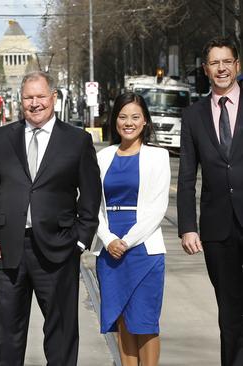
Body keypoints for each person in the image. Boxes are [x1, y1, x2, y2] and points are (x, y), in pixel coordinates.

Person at [0, 71, 101, 365]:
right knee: (8, 334)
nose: (35, 104)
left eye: (40, 96)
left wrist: (80, 241)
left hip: (59, 249)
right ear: (20, 101)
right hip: (8, 249)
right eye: (28, 98)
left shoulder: (77, 141)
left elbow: (91, 195)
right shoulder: (0, 138)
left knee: (61, 332)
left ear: (53, 98)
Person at [178, 36, 243, 366]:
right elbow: (187, 175)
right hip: (217, 230)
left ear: (237, 65)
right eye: (214, 63)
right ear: (206, 69)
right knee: (229, 314)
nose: (221, 68)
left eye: (227, 61)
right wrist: (188, 227)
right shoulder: (192, 117)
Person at [93, 92, 169, 366]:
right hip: (110, 251)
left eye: (135, 117)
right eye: (123, 117)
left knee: (145, 321)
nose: (129, 122)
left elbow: (157, 208)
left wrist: (126, 241)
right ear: (114, 121)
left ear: (145, 121)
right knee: (122, 319)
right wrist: (109, 239)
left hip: (144, 251)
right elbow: (93, 206)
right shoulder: (103, 157)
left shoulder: (158, 156)